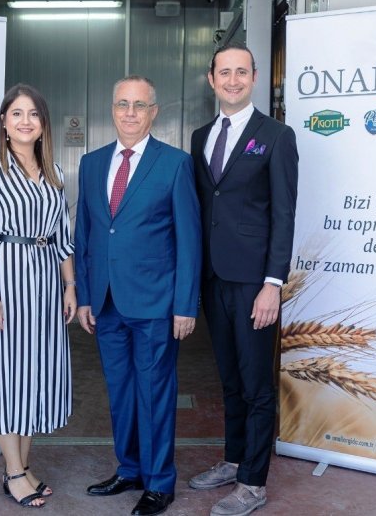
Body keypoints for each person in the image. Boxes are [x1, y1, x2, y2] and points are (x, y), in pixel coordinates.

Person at [75, 75, 201, 516]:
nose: (130, 113)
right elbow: (86, 234)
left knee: (154, 393)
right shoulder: (91, 164)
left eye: (139, 105)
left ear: (153, 112)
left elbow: (189, 241)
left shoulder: (175, 164)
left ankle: (159, 482)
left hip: (156, 304)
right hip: (106, 302)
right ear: (112, 109)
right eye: (122, 104)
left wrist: (185, 305)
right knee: (121, 392)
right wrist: (85, 296)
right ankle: (129, 469)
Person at [188, 43, 298, 515]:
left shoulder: (276, 135)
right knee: (229, 378)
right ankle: (234, 460)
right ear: (211, 80)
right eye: (224, 73)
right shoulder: (200, 137)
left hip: (255, 282)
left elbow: (284, 213)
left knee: (256, 384)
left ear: (254, 77)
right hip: (213, 277)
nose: (232, 80)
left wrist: (273, 283)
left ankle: (253, 483)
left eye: (241, 72)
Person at [0, 83, 76, 508]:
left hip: (45, 288)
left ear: (43, 123)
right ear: (4, 122)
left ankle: (24, 466)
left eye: (33, 114)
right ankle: (13, 472)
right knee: (6, 377)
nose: (25, 121)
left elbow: (62, 238)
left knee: (35, 377)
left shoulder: (55, 173)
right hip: (7, 287)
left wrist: (70, 285)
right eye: (17, 113)